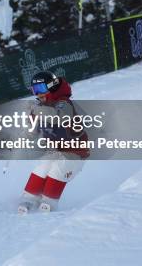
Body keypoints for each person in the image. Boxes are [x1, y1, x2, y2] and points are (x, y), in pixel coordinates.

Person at [18, 71, 89, 214]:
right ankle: (28, 199)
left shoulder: (64, 103)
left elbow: (58, 117)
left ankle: (48, 202)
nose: (38, 94)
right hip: (56, 149)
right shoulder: (39, 107)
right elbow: (32, 131)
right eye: (34, 90)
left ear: (52, 86)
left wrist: (36, 109)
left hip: (75, 151)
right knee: (42, 167)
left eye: (41, 89)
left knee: (58, 169)